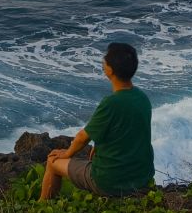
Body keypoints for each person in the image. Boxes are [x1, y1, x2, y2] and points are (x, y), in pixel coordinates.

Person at [39, 42, 154, 200]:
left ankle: (40, 208)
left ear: (110, 70)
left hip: (110, 182)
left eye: (105, 61)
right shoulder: (142, 98)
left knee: (52, 162)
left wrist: (67, 153)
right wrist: (98, 146)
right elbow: (127, 132)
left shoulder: (111, 103)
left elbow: (82, 138)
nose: (103, 62)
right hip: (141, 178)